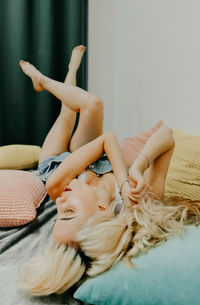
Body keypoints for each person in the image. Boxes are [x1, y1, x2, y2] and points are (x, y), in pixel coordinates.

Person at [18, 46, 200, 296]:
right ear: (101, 211)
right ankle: (63, 73)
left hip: (58, 163)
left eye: (57, 213)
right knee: (92, 104)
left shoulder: (56, 186)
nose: (59, 201)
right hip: (91, 157)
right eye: (68, 211)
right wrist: (138, 165)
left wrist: (122, 179)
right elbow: (166, 133)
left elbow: (107, 140)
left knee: (67, 115)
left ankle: (43, 80)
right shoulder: (139, 202)